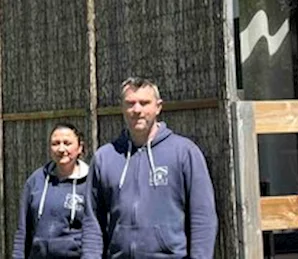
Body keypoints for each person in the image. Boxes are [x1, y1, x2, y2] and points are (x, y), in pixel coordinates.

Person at [91, 77, 217, 259]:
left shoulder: (184, 152)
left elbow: (203, 217)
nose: (137, 110)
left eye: (144, 103)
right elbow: (93, 220)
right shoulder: (105, 157)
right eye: (130, 103)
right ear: (122, 108)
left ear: (158, 107)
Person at [12, 122, 103, 259]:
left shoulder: (91, 183)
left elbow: (98, 230)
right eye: (55, 143)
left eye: (67, 143)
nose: (61, 149)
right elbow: (22, 230)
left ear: (80, 147)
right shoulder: (36, 181)